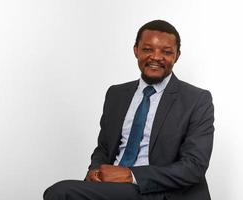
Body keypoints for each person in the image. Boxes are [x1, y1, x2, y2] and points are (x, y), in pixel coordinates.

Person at [43, 20, 214, 200]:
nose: (156, 57)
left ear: (177, 56)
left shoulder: (196, 100)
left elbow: (194, 166)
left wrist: (130, 175)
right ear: (136, 50)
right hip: (113, 187)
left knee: (60, 193)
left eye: (166, 52)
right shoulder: (116, 94)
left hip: (160, 192)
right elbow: (104, 148)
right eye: (148, 49)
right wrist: (95, 170)